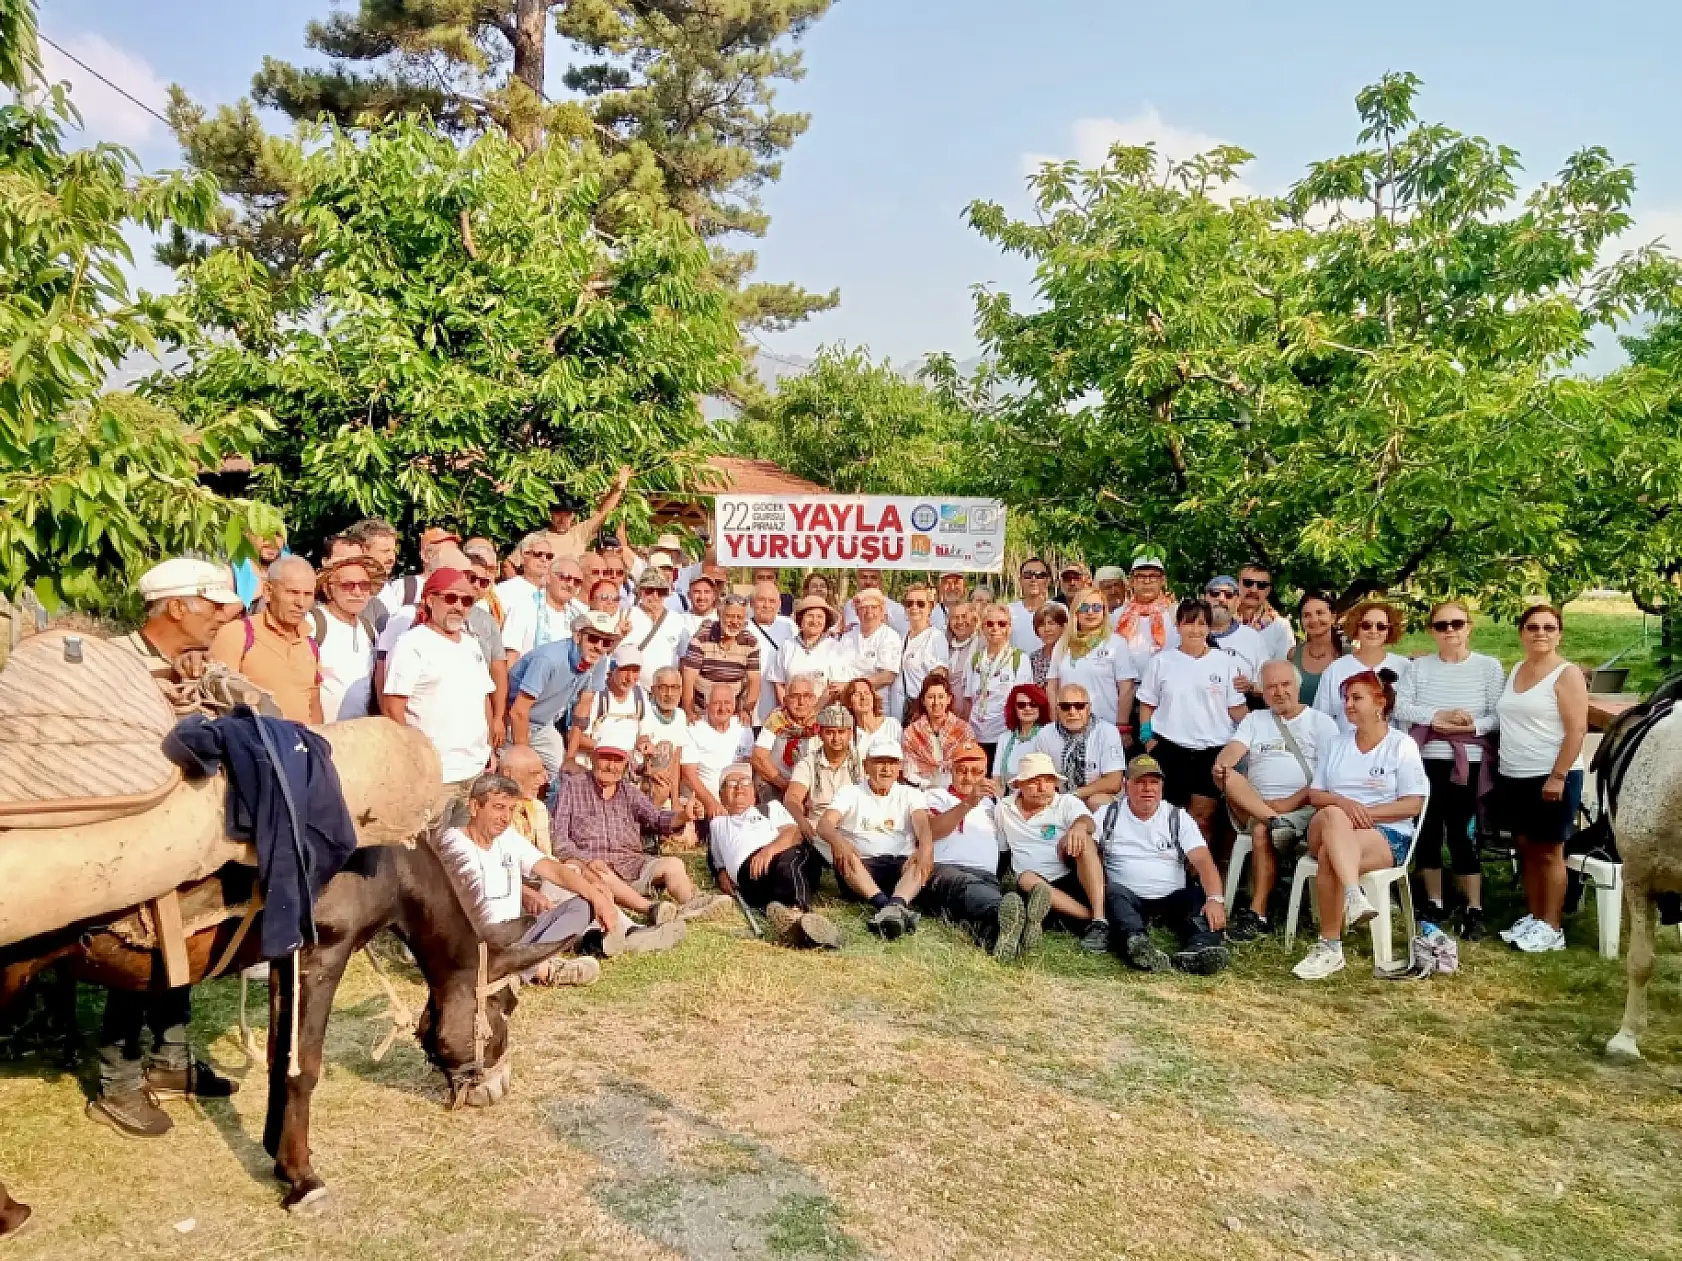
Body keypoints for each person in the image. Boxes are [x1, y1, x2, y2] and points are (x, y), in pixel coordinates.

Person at [94, 558, 247, 1137]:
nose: (221, 619)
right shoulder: (114, 664)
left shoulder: (204, 664)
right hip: (129, 839)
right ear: (176, 606)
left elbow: (252, 711)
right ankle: (118, 1083)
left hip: (195, 839)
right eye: (213, 607)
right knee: (133, 956)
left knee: (191, 943)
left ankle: (172, 1061)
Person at [1292, 670, 1430, 980]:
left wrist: (1366, 813)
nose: (1348, 705)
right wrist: (1345, 805)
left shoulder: (1401, 745)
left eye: (1357, 698)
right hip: (1328, 825)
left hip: (1384, 834)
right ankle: (1354, 895)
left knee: (1331, 855)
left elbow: (1412, 804)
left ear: (1380, 703)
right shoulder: (1337, 743)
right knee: (1333, 815)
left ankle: (1330, 947)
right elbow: (1316, 794)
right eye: (1346, 699)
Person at [495, 745, 684, 958]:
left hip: (558, 880)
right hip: (514, 899)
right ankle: (616, 935)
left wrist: (589, 883)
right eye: (534, 773)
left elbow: (548, 861)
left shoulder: (536, 808)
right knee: (569, 886)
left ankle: (620, 932)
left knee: (580, 882)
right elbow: (489, 873)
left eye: (543, 772)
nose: (544, 780)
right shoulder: (492, 816)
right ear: (508, 774)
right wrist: (525, 892)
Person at [1395, 600, 1505, 936]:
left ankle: (1473, 905)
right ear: (1432, 631)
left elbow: (1498, 714)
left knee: (1460, 832)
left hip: (1467, 761)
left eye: (1456, 624)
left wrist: (1470, 727)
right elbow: (1400, 703)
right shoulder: (1419, 668)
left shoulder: (1489, 668)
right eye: (1442, 626)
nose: (1450, 631)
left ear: (1469, 626)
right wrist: (1437, 718)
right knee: (1427, 830)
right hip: (1426, 757)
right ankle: (1435, 901)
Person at [1212, 660, 1340, 939]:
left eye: (1285, 684)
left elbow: (1327, 779)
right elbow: (1233, 750)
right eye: (1271, 686)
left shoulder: (1321, 723)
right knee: (1225, 775)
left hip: (1302, 808)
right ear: (1264, 692)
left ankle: (1258, 913)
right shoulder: (1255, 720)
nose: (1279, 692)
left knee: (1261, 830)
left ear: (1298, 686)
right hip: (1255, 805)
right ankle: (1274, 822)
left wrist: (1288, 804)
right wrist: (1223, 762)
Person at [435, 775, 604, 986]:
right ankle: (541, 970)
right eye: (498, 808)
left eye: (510, 809)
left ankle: (516, 971)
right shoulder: (451, 844)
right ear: (475, 807)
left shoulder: (508, 838)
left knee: (582, 906)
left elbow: (553, 869)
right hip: (475, 939)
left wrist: (596, 896)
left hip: (516, 935)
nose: (506, 817)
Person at [550, 721, 724, 920]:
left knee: (673, 864)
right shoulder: (572, 788)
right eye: (606, 757)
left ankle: (692, 904)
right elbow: (560, 840)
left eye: (618, 760)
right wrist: (587, 860)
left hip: (632, 865)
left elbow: (657, 819)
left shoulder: (629, 792)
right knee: (593, 873)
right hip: (593, 869)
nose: (611, 766)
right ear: (594, 757)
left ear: (626, 763)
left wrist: (684, 815)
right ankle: (651, 909)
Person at [1495, 604, 1589, 954]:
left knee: (1550, 852)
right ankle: (1534, 918)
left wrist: (1558, 776)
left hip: (1552, 776)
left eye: (1549, 627)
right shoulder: (1518, 668)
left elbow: (1577, 729)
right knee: (1527, 848)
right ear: (1521, 632)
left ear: (1559, 633)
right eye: (1533, 627)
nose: (1541, 633)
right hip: (1514, 774)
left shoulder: (1567, 674)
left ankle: (1552, 926)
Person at [1099, 755, 1231, 974]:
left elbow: (1203, 861)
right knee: (1112, 894)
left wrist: (1215, 899)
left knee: (1197, 895)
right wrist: (1078, 830)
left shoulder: (1177, 817)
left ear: (1162, 785)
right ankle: (1138, 945)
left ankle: (1201, 949)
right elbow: (1084, 840)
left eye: (1154, 782)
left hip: (1172, 897)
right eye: (1140, 782)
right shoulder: (1108, 814)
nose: (1147, 788)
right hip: (1128, 898)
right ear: (1126, 785)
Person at [921, 742, 1049, 961]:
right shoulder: (935, 796)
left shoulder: (994, 805)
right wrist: (969, 803)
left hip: (987, 877)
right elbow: (931, 831)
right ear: (950, 771)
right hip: (945, 871)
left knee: (973, 914)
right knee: (971, 891)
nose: (969, 778)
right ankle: (1015, 913)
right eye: (962, 771)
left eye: (976, 772)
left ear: (986, 774)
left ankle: (1002, 937)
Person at [1137, 599, 1249, 840]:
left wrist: (1257, 729)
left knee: (1203, 817)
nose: (1195, 630)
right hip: (1169, 749)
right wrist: (1148, 740)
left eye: (1202, 624)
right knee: (1165, 816)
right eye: (1189, 623)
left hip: (1212, 751)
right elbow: (1146, 705)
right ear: (1178, 626)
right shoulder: (1161, 662)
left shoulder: (1226, 662)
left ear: (1209, 628)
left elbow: (1237, 710)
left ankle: (1195, 875)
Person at [381, 568, 495, 799]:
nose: (459, 606)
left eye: (467, 601)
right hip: (434, 773)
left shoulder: (471, 644)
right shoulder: (411, 644)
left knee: (464, 836)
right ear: (429, 600)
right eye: (451, 598)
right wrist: (414, 761)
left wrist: (488, 749)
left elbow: (484, 698)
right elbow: (393, 708)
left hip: (474, 768)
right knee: (431, 835)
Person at [708, 765, 840, 949]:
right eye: (731, 784)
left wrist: (768, 851)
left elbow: (794, 833)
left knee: (790, 861)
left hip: (784, 854)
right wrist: (721, 873)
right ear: (721, 796)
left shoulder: (769, 808)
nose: (739, 787)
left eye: (745, 782)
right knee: (775, 882)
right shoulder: (717, 824)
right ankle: (799, 925)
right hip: (751, 877)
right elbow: (716, 861)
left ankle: (798, 913)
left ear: (754, 792)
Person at [817, 733, 934, 939]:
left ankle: (894, 905)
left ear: (900, 767)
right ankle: (885, 906)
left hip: (900, 867)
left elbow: (922, 825)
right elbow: (824, 824)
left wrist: (925, 848)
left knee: (920, 857)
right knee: (846, 855)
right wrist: (838, 841)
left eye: (892, 763)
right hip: (863, 869)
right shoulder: (850, 793)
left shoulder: (910, 794)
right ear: (866, 765)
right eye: (880, 762)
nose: (886, 769)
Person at [995, 752, 1109, 951]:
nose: (1042, 788)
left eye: (1048, 781)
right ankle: (1088, 918)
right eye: (1034, 781)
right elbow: (1002, 851)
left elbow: (1087, 820)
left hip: (1071, 877)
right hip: (1033, 886)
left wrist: (1079, 828)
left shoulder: (1065, 802)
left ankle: (1099, 919)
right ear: (1019, 785)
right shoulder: (1003, 809)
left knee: (1085, 840)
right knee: (1026, 879)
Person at [208, 554, 323, 723]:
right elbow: (216, 700)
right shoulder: (238, 634)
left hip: (302, 744)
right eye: (292, 592)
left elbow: (313, 704)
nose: (301, 603)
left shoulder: (309, 644)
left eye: (308, 594)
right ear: (268, 591)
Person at [505, 609, 616, 779]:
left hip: (543, 725)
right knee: (517, 777)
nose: (599, 647)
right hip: (512, 722)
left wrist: (570, 758)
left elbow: (583, 709)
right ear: (578, 636)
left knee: (563, 777)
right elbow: (518, 712)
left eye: (606, 642)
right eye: (593, 638)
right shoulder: (549, 659)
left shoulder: (599, 660)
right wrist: (526, 758)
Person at [1048, 588, 1139, 737]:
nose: (1090, 612)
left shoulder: (1116, 643)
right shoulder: (1063, 643)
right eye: (1084, 607)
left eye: (1096, 607)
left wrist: (1122, 727)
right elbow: (1052, 687)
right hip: (1068, 727)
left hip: (1106, 727)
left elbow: (1126, 689)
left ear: (1104, 611)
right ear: (1076, 612)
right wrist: (1054, 723)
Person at [1313, 601, 1412, 735]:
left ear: (1390, 630)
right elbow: (1321, 718)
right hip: (1346, 749)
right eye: (1366, 625)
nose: (1373, 631)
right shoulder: (1336, 669)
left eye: (1381, 626)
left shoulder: (1405, 667)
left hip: (1392, 750)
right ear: (1356, 628)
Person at [1031, 682, 1125, 809]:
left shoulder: (1107, 731)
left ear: (1089, 708)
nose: (1072, 711)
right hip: (1058, 798)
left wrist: (1074, 795)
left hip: (1095, 797)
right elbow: (1039, 775)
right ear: (1057, 709)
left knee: (1096, 801)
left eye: (1079, 706)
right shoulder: (1045, 734)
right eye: (1065, 706)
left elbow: (1114, 782)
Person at [958, 603, 1032, 763]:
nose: (995, 628)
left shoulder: (1019, 659)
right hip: (976, 733)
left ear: (1009, 628)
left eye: (1001, 624)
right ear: (983, 628)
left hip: (1005, 734)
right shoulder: (975, 659)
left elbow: (1022, 702)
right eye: (989, 624)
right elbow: (968, 700)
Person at [310, 554, 380, 721]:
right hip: (320, 734)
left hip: (358, 735)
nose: (357, 592)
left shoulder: (369, 629)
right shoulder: (313, 623)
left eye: (364, 585)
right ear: (328, 589)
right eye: (347, 585)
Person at [785, 705, 862, 848]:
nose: (836, 738)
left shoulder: (862, 760)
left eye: (841, 732)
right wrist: (802, 822)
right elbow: (792, 798)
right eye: (830, 732)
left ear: (850, 733)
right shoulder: (807, 763)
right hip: (817, 828)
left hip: (854, 827)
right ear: (820, 734)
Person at [682, 683, 757, 822]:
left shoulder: (743, 726)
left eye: (727, 703)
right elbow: (688, 774)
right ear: (707, 704)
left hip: (737, 801)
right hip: (706, 802)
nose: (723, 708)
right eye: (717, 703)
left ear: (734, 704)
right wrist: (711, 803)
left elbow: (748, 767)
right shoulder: (694, 728)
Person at [681, 592, 761, 719]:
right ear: (719, 615)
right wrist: (689, 711)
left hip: (733, 713)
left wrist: (747, 711)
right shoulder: (701, 638)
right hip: (701, 711)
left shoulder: (751, 642)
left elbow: (755, 680)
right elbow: (688, 678)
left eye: (739, 617)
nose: (734, 621)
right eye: (729, 616)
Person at [569, 646, 646, 768]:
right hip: (591, 767)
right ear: (612, 669)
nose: (630, 678)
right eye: (624, 670)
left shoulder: (641, 695)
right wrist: (614, 751)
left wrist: (644, 743)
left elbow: (643, 733)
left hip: (627, 770)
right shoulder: (595, 694)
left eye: (635, 671)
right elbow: (575, 737)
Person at [751, 672, 822, 801]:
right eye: (795, 696)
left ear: (814, 699)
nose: (801, 702)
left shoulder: (823, 722)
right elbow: (758, 757)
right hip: (777, 784)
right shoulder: (776, 719)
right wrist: (785, 785)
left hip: (813, 787)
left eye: (806, 696)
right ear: (785, 700)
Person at [501, 556, 585, 659]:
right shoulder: (524, 607)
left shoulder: (579, 617)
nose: (571, 585)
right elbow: (511, 656)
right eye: (565, 578)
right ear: (548, 578)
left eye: (577, 581)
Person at [901, 673, 975, 790]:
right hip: (921, 790)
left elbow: (970, 766)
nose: (936, 702)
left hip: (957, 790)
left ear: (948, 699)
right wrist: (928, 786)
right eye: (931, 697)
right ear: (923, 701)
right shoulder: (911, 733)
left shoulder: (964, 730)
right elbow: (908, 771)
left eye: (940, 696)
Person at [837, 587, 904, 712]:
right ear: (856, 612)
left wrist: (849, 686)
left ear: (882, 611)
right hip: (848, 705)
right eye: (863, 608)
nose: (869, 612)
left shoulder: (889, 636)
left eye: (873, 607)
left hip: (877, 707)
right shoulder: (848, 637)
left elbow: (887, 676)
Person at [770, 596, 843, 706]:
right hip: (791, 714)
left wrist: (813, 713)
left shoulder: (834, 647)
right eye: (810, 616)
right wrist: (789, 709)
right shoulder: (787, 646)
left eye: (819, 617)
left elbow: (834, 688)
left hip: (823, 714)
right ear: (801, 619)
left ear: (826, 621)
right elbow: (779, 683)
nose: (814, 621)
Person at [548, 465, 634, 558]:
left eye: (567, 515)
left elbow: (602, 513)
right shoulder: (535, 538)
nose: (562, 519)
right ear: (551, 514)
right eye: (558, 514)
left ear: (573, 516)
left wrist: (619, 488)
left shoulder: (579, 533)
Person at [894, 583, 948, 720]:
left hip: (923, 713)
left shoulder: (936, 637)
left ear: (930, 607)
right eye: (909, 603)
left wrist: (923, 708)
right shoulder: (902, 637)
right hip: (901, 709)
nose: (914, 607)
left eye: (920, 603)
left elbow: (939, 680)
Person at [1203, 576, 1265, 694]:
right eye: (1215, 593)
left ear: (1237, 602)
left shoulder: (1253, 639)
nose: (1221, 599)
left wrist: (1251, 687)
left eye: (1229, 595)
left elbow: (1267, 684)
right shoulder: (1183, 635)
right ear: (1204, 598)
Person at [746, 581, 796, 724]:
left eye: (772, 601)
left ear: (779, 604)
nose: (767, 606)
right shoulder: (743, 628)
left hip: (784, 710)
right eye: (761, 600)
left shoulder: (789, 626)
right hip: (751, 711)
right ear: (751, 603)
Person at [625, 568, 690, 675]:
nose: (655, 596)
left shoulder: (677, 620)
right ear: (640, 591)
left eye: (661, 591)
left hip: (667, 689)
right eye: (650, 591)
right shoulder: (627, 616)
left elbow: (684, 657)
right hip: (634, 688)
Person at [1113, 554, 1177, 661]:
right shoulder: (1118, 615)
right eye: (1140, 576)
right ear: (1131, 581)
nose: (1147, 582)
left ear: (1162, 580)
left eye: (1153, 576)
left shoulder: (1175, 613)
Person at [1287, 592, 1344, 708]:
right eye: (1307, 615)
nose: (1313, 620)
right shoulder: (1293, 654)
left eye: (1320, 613)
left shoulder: (1349, 655)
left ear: (1333, 617)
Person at [992, 682, 1051, 784]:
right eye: (1021, 705)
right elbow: (997, 779)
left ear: (1040, 707)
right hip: (1009, 797)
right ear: (1014, 708)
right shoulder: (1004, 738)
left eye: (1033, 704)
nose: (1027, 709)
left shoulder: (1048, 735)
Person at [1235, 563, 1296, 662]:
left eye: (1261, 585)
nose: (1254, 590)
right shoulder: (1222, 622)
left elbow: (1284, 668)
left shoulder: (1280, 626)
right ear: (1237, 585)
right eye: (1248, 583)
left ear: (1268, 590)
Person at [842, 675, 902, 764]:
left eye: (867, 693)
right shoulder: (848, 733)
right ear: (849, 703)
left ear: (873, 698)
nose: (863, 697)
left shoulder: (892, 724)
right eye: (857, 694)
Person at [1008, 557, 1060, 653]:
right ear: (1020, 580)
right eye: (1028, 575)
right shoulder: (1008, 611)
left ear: (1047, 581)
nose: (1033, 579)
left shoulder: (1059, 610)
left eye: (1040, 575)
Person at [495, 532, 557, 612]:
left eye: (549, 556)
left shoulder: (554, 592)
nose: (544, 559)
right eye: (538, 554)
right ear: (523, 557)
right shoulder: (505, 590)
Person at [842, 568, 909, 636]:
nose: (868, 582)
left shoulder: (896, 609)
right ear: (856, 580)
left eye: (873, 577)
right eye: (864, 577)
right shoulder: (849, 605)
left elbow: (905, 636)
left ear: (880, 581)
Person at [232, 530, 287, 609]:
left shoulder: (292, 568)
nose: (272, 541)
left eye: (278, 534)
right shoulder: (230, 572)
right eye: (264, 532)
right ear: (246, 534)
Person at [1027, 602, 1069, 688]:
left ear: (1063, 626)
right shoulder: (1033, 658)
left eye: (1051, 623)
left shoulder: (1071, 655)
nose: (1047, 629)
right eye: (1042, 625)